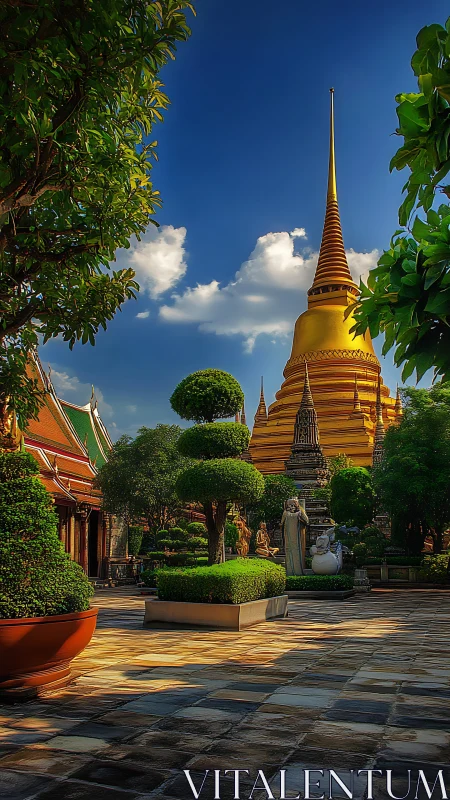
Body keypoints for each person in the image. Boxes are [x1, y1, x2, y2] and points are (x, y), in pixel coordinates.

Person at [281, 497, 309, 575]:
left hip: (298, 537)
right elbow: (281, 523)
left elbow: (306, 520)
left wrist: (300, 519)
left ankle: (298, 571)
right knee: (289, 551)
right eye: (289, 505)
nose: (291, 507)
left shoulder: (300, 512)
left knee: (297, 553)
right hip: (288, 537)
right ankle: (290, 571)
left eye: (293, 505)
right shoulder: (285, 513)